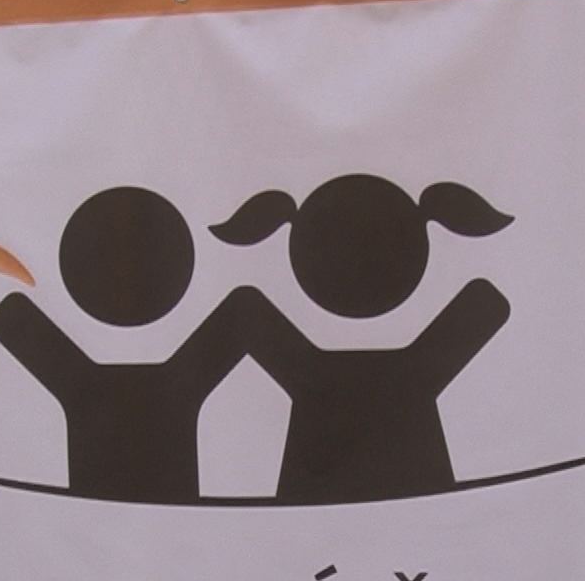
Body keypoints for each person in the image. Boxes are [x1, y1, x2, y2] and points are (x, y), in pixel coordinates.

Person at [210, 174, 513, 503]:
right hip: (408, 506)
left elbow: (244, 312)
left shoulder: (310, 369)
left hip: (335, 503)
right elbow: (488, 305)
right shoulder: (415, 371)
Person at [0, 186, 257, 503]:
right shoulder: (172, 380)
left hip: (96, 523)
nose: (124, 270)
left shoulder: (82, 381)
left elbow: (8, 318)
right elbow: (245, 310)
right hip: (106, 524)